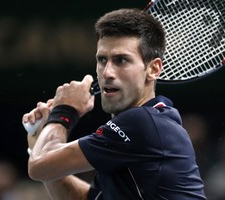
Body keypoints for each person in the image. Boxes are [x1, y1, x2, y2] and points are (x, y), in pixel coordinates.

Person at [22, 8, 206, 200]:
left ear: (153, 69)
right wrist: (40, 142)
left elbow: (38, 167)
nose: (107, 72)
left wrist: (63, 112)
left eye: (121, 60)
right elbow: (84, 197)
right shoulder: (132, 136)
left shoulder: (142, 122)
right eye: (102, 60)